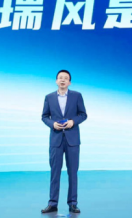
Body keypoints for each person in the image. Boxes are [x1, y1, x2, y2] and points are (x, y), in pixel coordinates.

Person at [41, 69, 87, 214]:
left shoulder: (77, 96)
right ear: (56, 81)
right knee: (55, 172)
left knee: (73, 172)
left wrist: (73, 121)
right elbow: (44, 116)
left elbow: (83, 114)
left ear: (69, 82)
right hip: (56, 140)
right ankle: (52, 203)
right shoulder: (49, 97)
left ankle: (73, 203)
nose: (62, 80)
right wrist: (52, 124)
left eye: (65, 78)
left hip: (72, 140)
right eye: (60, 78)